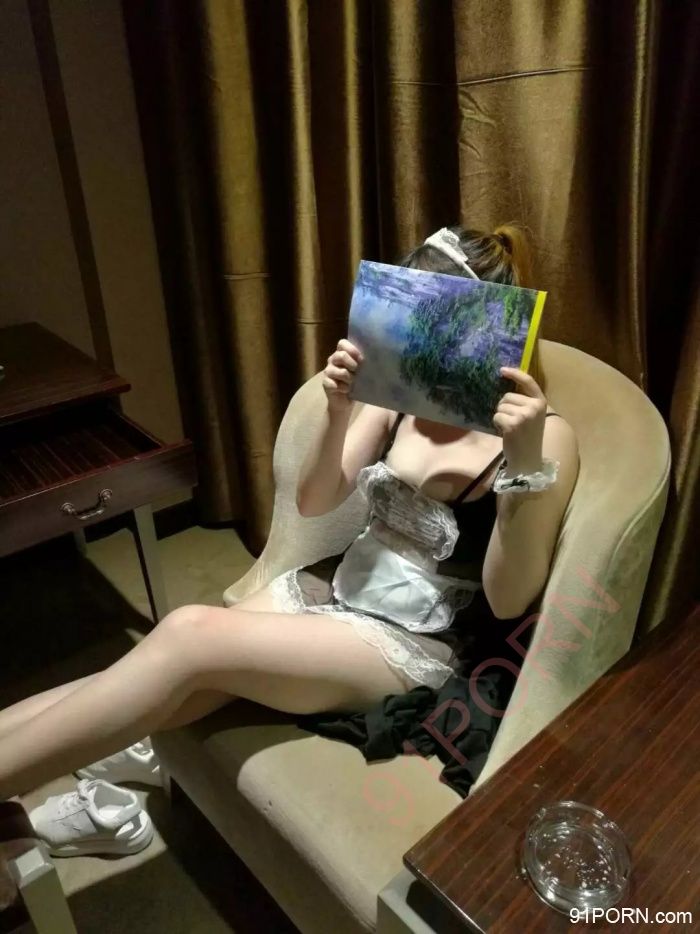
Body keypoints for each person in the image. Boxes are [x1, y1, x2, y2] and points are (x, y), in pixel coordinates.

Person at [0, 224, 578, 805]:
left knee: (186, 632)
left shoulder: (545, 436)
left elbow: (509, 599)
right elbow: (314, 501)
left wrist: (524, 462)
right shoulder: (404, 397)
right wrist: (338, 409)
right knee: (158, 670)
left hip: (418, 639)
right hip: (339, 584)